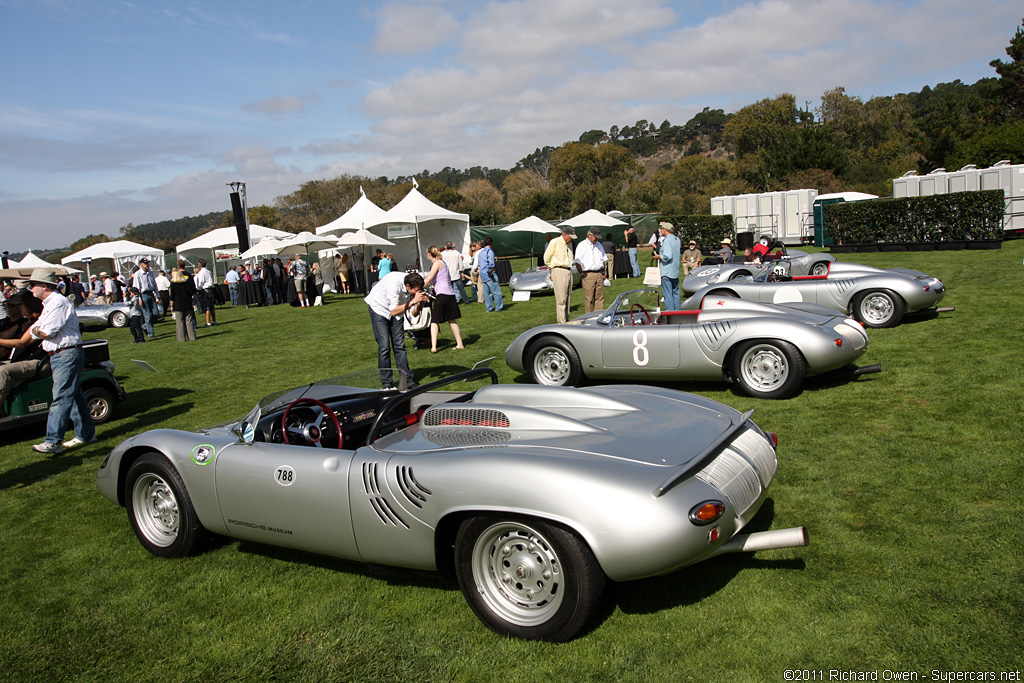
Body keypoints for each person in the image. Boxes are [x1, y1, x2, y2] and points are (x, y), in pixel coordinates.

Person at [4, 269, 96, 454]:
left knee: (60, 397)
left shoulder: (58, 302)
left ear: (44, 286)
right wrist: (39, 329)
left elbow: (46, 332)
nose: (31, 289)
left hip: (66, 354)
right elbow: (37, 330)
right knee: (74, 395)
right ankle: (86, 434)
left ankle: (53, 441)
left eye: (33, 285)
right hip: (61, 355)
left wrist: (39, 330)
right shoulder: (49, 304)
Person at [364, 271, 429, 390]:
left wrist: (420, 303)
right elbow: (393, 311)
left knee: (400, 346)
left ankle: (408, 380)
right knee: (384, 347)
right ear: (408, 286)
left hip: (398, 311)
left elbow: (414, 314)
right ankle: (386, 383)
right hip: (379, 309)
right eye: (416, 290)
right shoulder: (394, 282)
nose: (417, 293)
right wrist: (413, 301)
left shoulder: (412, 284)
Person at [0, 292, 46, 415]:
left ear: (29, 306)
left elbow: (21, 343)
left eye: (21, 305)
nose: (20, 308)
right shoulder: (28, 323)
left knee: (3, 371)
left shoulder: (37, 323)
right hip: (20, 359)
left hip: (34, 362)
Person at [423, 246, 465, 353]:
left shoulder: (436, 263)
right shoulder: (442, 263)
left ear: (429, 254)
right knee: (451, 319)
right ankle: (460, 344)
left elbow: (428, 278)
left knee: (434, 321)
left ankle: (433, 347)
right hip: (450, 294)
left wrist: (418, 287)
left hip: (443, 294)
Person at [544, 225, 576, 324]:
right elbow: (546, 258)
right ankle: (562, 323)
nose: (571, 239)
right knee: (561, 299)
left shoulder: (568, 244)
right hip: (559, 270)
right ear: (565, 234)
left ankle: (566, 320)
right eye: (570, 237)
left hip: (568, 270)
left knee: (568, 298)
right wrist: (553, 269)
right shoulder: (555, 242)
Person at [574, 227, 607, 314]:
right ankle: (589, 317)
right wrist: (582, 273)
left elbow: (604, 259)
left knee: (599, 297)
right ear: (590, 235)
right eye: (595, 237)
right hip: (588, 274)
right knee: (589, 298)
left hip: (599, 273)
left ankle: (598, 315)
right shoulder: (582, 245)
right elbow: (577, 262)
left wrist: (604, 272)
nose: (596, 239)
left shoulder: (599, 245)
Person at [652, 221, 681, 310]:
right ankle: (677, 311)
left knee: (667, 294)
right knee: (676, 292)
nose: (661, 231)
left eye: (662, 229)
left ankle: (670, 313)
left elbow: (667, 256)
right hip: (675, 270)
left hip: (667, 271)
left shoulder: (667, 240)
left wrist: (658, 257)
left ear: (665, 230)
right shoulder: (677, 239)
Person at [131, 257, 158, 337]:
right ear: (141, 264)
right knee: (148, 315)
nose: (147, 265)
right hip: (143, 294)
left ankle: (145, 326)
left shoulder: (150, 272)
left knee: (156, 313)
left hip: (151, 293)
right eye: (145, 263)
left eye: (147, 263)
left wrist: (157, 295)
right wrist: (139, 298)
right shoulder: (138, 274)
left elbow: (154, 284)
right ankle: (150, 333)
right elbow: (136, 287)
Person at [169, 265, 197, 342]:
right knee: (189, 321)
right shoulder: (186, 283)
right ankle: (192, 337)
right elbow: (191, 292)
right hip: (187, 303)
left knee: (179, 322)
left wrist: (171, 306)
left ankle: (181, 339)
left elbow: (172, 296)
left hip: (178, 305)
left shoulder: (174, 285)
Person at [477, 237, 503, 312]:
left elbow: (479, 263)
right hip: (489, 273)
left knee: (486, 292)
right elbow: (491, 264)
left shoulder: (481, 252)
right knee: (496, 291)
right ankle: (499, 307)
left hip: (482, 273)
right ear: (491, 243)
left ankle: (488, 308)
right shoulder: (489, 251)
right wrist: (493, 271)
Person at [193, 258, 217, 327]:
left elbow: (200, 283)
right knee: (211, 306)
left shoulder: (201, 273)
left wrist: (198, 289)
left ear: (199, 265)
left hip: (205, 289)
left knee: (207, 307)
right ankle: (214, 320)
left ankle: (208, 322)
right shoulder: (209, 272)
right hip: (211, 289)